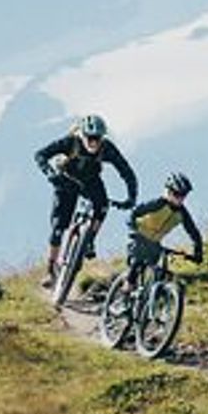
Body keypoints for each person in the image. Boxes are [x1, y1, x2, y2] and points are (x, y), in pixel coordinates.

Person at [34, 114, 137, 288]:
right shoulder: (70, 142)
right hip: (66, 181)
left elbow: (126, 171)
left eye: (98, 138)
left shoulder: (107, 148)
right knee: (58, 228)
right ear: (82, 135)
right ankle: (51, 270)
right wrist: (50, 174)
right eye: (90, 138)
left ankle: (89, 240)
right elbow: (40, 155)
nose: (94, 142)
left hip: (90, 181)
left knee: (102, 206)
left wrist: (131, 197)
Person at [124, 171, 205, 281]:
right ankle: (126, 288)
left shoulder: (182, 213)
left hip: (154, 244)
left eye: (183, 196)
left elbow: (194, 233)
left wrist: (198, 252)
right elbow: (134, 213)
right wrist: (133, 230)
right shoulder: (158, 203)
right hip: (139, 239)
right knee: (136, 265)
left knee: (159, 273)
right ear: (168, 192)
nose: (180, 199)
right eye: (176, 194)